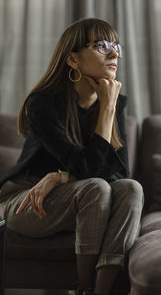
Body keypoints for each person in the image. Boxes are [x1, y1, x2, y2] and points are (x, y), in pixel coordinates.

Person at [0, 18, 143, 295]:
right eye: (101, 45)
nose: (113, 54)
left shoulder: (114, 103)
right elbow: (90, 171)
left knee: (131, 189)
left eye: (116, 46)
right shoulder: (43, 103)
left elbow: (119, 174)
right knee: (96, 188)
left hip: (72, 193)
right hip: (26, 196)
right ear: (73, 60)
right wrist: (106, 110)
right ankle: (84, 287)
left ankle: (99, 291)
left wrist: (59, 176)